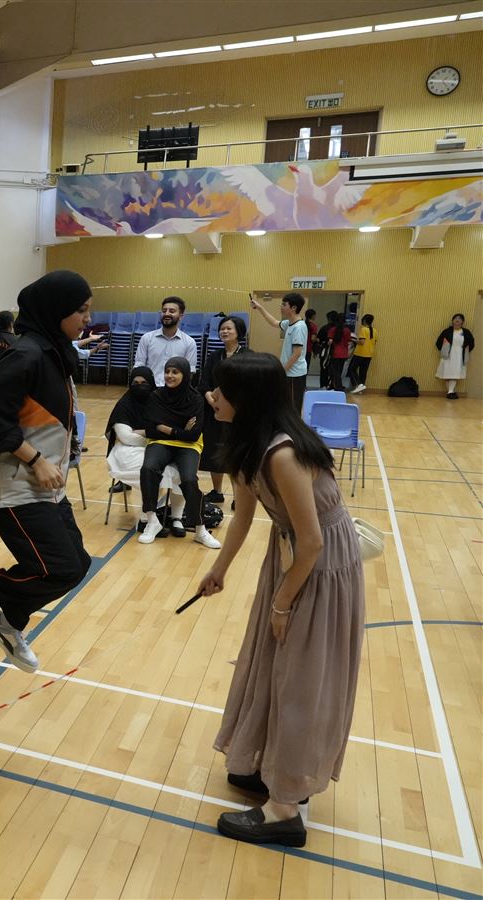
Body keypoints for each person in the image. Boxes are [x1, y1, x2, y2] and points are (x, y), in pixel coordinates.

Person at [200, 351, 364, 849]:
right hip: (294, 555)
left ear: (245, 399)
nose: (212, 397)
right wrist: (218, 570)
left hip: (319, 564)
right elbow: (244, 516)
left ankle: (285, 811)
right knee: (272, 664)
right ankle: (270, 766)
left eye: (221, 391)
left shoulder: (283, 454)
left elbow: (312, 542)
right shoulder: (249, 444)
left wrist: (281, 603)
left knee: (300, 677)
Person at [0, 271, 96, 672]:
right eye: (81, 310)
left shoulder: (54, 353)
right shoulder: (26, 356)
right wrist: (36, 460)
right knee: (59, 567)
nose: (88, 319)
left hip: (45, 484)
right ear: (56, 311)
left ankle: (10, 622)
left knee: (78, 565)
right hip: (13, 485)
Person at [138, 357, 221, 548]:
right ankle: (152, 521)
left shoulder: (196, 399)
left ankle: (200, 530)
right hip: (160, 442)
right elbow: (150, 429)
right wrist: (179, 429)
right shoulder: (156, 396)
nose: (169, 375)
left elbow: (193, 435)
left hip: (188, 446)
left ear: (185, 374)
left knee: (189, 478)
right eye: (167, 371)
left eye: (175, 372)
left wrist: (165, 427)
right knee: (148, 468)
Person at [105, 366, 184, 530]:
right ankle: (146, 518)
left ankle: (176, 518)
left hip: (156, 445)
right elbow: (126, 437)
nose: (140, 386)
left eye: (144, 383)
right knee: (150, 469)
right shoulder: (124, 405)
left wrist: (144, 433)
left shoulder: (159, 401)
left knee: (180, 468)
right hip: (127, 451)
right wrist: (154, 435)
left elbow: (171, 427)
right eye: (136, 383)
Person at [199, 315, 249, 504]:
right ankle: (217, 491)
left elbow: (249, 385)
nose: (224, 331)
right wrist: (211, 399)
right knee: (214, 449)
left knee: (236, 454)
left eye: (229, 328)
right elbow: (204, 383)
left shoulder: (247, 355)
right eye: (222, 328)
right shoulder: (214, 356)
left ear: (239, 332)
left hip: (238, 414)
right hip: (214, 410)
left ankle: (239, 497)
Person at [250, 292, 307, 412]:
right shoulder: (289, 323)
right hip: (289, 373)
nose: (281, 307)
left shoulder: (299, 327)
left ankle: (294, 425)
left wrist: (282, 371)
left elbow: (297, 354)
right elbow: (274, 322)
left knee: (293, 409)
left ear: (294, 307)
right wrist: (259, 307)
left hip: (295, 375)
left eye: (284, 304)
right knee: (286, 405)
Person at [133, 296, 197, 385]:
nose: (166, 314)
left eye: (172, 311)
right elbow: (139, 367)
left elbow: (189, 372)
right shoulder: (147, 338)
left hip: (175, 389)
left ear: (181, 316)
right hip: (150, 388)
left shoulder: (189, 342)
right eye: (164, 311)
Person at [434, 313, 474, 400]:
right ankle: (451, 392)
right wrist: (444, 349)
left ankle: (450, 392)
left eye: (459, 318)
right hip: (448, 355)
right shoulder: (446, 331)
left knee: (455, 373)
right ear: (452, 321)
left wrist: (465, 351)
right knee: (447, 373)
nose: (457, 320)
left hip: (459, 356)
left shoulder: (466, 332)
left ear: (462, 322)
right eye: (455, 318)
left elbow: (471, 343)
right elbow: (438, 342)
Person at [317, 310, 351, 392]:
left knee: (335, 372)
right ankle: (335, 386)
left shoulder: (333, 330)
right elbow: (348, 341)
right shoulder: (347, 330)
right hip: (344, 354)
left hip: (335, 354)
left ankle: (337, 388)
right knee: (339, 371)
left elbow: (330, 342)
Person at [347, 314, 376, 394]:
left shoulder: (363, 329)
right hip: (369, 354)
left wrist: (353, 340)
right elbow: (374, 342)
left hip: (360, 353)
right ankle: (361, 390)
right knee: (363, 372)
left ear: (364, 321)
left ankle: (359, 385)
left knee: (351, 369)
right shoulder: (375, 330)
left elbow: (362, 342)